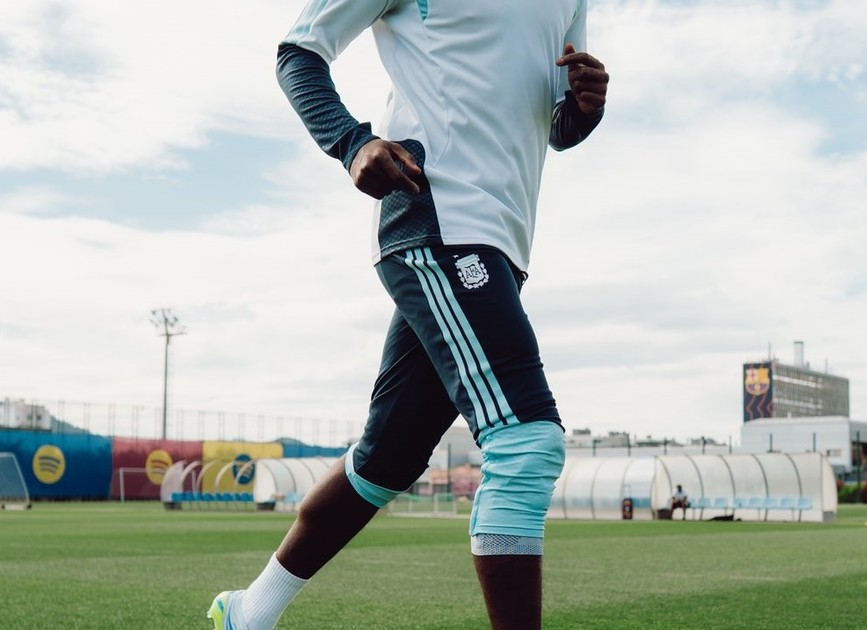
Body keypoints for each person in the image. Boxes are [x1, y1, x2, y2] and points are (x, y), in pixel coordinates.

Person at [207, 1, 609, 629]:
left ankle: (248, 612)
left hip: (504, 243)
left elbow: (554, 122)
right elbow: (299, 52)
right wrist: (353, 142)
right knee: (526, 441)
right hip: (434, 211)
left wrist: (583, 109)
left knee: (387, 458)